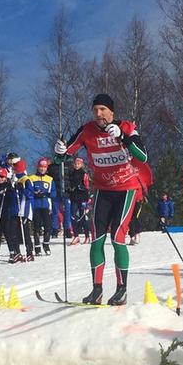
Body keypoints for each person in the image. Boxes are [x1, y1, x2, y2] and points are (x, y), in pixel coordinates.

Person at [55, 93, 149, 305]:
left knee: (117, 236)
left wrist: (123, 138)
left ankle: (121, 290)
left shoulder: (126, 126)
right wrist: (59, 152)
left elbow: (143, 156)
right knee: (97, 238)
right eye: (95, 109)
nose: (99, 114)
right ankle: (97, 290)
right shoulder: (87, 130)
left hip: (126, 189)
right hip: (102, 190)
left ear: (111, 112)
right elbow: (65, 154)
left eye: (103, 110)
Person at [30, 157, 56, 256]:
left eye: (44, 167)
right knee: (36, 227)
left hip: (46, 206)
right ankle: (37, 247)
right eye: (41, 167)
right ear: (38, 167)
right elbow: (29, 190)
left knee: (47, 227)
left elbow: (53, 192)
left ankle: (46, 245)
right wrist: (35, 193)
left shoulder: (49, 179)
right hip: (35, 206)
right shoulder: (32, 178)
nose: (42, 169)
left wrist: (46, 194)